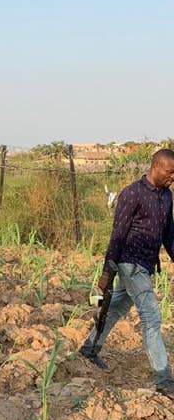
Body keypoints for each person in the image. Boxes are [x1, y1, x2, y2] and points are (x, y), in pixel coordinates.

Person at [80, 148, 174, 396]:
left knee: (115, 309)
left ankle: (89, 349)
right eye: (170, 172)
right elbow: (118, 233)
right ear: (156, 166)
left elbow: (168, 235)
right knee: (151, 317)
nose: (173, 177)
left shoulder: (167, 197)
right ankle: (164, 380)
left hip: (146, 264)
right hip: (130, 263)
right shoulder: (132, 193)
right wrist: (107, 270)